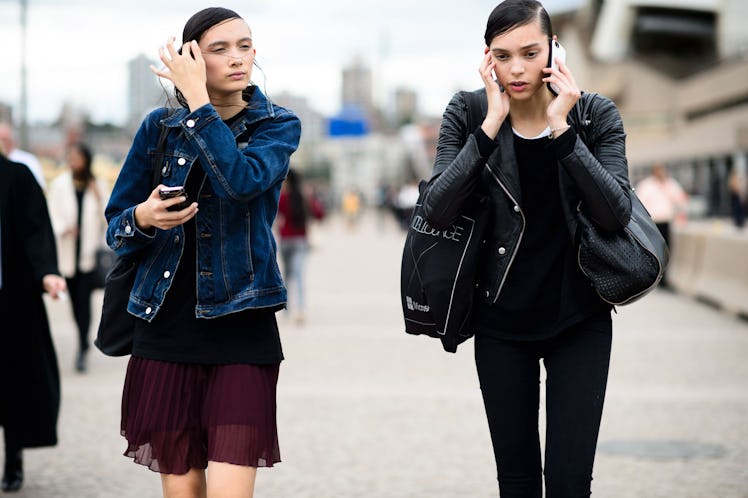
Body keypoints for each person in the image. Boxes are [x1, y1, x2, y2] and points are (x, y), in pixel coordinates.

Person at [419, 1, 632, 495]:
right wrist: (490, 125)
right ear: (487, 58)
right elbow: (436, 208)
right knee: (516, 482)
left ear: (554, 51)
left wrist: (562, 129)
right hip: (500, 326)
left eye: (530, 53)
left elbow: (614, 212)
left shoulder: (594, 115)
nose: (517, 69)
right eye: (503, 55)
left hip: (579, 321)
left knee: (569, 482)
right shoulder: (467, 112)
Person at [103, 7, 300, 497]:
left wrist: (197, 102)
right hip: (166, 329)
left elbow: (240, 181)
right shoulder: (158, 129)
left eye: (245, 45)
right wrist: (142, 218)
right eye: (220, 49)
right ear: (193, 57)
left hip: (242, 325)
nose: (238, 58)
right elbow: (117, 227)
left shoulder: (277, 125)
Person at [0, 148, 67, 493]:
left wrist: (47, 272)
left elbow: (35, 231)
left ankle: (13, 458)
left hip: (11, 303)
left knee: (13, 385)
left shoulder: (17, 177)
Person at [47, 142, 110, 373]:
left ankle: (83, 346)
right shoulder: (60, 185)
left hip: (89, 254)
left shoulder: (97, 184)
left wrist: (98, 195)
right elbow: (52, 214)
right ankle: (82, 339)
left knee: (84, 303)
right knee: (74, 302)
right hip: (68, 253)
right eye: (70, 157)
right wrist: (65, 227)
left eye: (77, 157)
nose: (73, 162)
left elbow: (109, 215)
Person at [276, 168, 324, 324]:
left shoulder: (282, 197)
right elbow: (319, 214)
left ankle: (286, 309)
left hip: (285, 240)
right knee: (299, 275)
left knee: (287, 276)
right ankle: (301, 310)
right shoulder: (305, 198)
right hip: (301, 241)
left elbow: (274, 213)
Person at [635, 163, 688, 287]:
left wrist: (682, 214)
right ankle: (653, 278)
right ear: (654, 172)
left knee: (666, 251)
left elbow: (681, 199)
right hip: (652, 224)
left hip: (666, 222)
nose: (661, 173)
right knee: (653, 250)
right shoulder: (646, 186)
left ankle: (664, 279)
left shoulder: (671, 184)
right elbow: (639, 203)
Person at [0, 123, 46, 190]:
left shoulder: (28, 160)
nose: (1, 144)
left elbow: (39, 186)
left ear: (12, 140)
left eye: (4, 140)